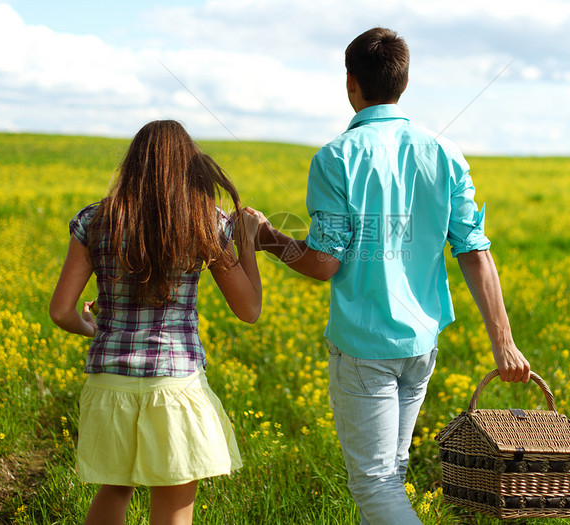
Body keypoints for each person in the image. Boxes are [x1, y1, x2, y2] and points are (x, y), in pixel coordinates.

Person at [253, 28, 531, 524]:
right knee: (391, 474)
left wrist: (265, 236)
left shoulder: (337, 157)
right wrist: (503, 343)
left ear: (349, 82)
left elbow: (323, 263)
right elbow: (475, 250)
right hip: (420, 345)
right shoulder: (444, 153)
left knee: (375, 485)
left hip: (365, 348)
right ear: (403, 82)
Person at [49, 119, 261, 525]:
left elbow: (61, 311)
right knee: (172, 510)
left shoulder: (95, 220)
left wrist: (93, 327)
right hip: (175, 386)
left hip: (109, 385)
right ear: (188, 167)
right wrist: (247, 244)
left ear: (133, 164)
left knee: (115, 490)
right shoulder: (205, 221)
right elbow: (248, 309)